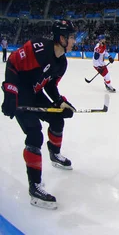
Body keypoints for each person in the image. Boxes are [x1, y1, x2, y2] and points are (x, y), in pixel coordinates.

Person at [1, 20, 77, 209]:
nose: (74, 41)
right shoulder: (39, 49)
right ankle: (35, 187)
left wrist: (60, 101)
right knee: (35, 133)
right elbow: (12, 63)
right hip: (20, 92)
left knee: (57, 117)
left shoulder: (62, 63)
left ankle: (54, 154)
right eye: (72, 37)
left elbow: (50, 84)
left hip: (35, 93)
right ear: (61, 38)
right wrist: (10, 93)